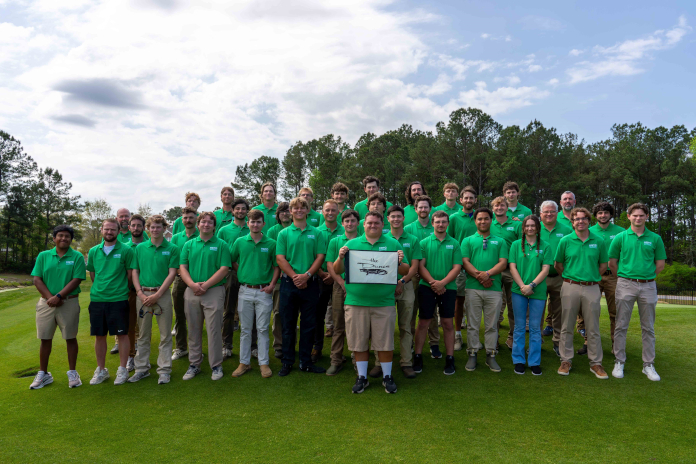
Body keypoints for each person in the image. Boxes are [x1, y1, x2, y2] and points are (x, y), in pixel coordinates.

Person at [333, 211, 410, 394]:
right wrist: (340, 257)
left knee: (385, 342)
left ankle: (387, 376)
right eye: (369, 223)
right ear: (363, 225)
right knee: (359, 342)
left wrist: (399, 262)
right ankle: (362, 377)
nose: (373, 226)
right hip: (356, 301)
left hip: (383, 302)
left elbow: (405, 269)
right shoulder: (351, 244)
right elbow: (337, 270)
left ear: (383, 224)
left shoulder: (393, 244)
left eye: (376, 223)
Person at [609, 203, 666, 381]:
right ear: (628, 217)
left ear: (647, 216)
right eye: (635, 215)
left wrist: (646, 277)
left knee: (648, 327)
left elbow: (660, 265)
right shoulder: (620, 237)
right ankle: (619, 361)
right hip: (625, 283)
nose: (638, 218)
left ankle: (648, 365)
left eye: (641, 215)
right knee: (621, 325)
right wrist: (626, 278)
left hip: (648, 286)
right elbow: (612, 263)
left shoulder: (655, 238)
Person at [554, 207, 609, 379]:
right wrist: (572, 278)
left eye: (584, 218)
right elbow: (558, 265)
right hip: (570, 286)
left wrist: (591, 278)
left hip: (592, 287)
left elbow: (603, 266)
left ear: (589, 221)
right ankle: (566, 360)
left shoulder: (599, 241)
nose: (581, 221)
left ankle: (595, 363)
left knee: (593, 327)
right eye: (577, 219)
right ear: (572, 222)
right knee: (567, 325)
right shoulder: (565, 241)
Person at [29, 225, 85, 389]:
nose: (63, 238)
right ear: (54, 238)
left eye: (67, 236)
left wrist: (59, 296)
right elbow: (37, 279)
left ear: (71, 239)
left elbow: (76, 279)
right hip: (46, 303)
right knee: (45, 338)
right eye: (60, 235)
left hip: (69, 302)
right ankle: (43, 374)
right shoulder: (44, 255)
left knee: (70, 337)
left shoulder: (77, 256)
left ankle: (73, 373)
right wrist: (51, 298)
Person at [276, 197, 326, 376]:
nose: (298, 211)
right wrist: (295, 277)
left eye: (302, 208)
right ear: (290, 211)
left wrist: (307, 275)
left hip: (310, 284)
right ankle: (287, 361)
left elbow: (320, 257)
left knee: (308, 325)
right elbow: (280, 258)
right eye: (295, 208)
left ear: (307, 210)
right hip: (289, 284)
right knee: (288, 325)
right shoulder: (284, 233)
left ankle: (306, 362)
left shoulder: (317, 233)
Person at [179, 212, 231, 381]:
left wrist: (206, 285)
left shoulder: (221, 244)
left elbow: (224, 269)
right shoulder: (189, 244)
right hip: (192, 291)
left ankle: (216, 365)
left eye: (210, 222)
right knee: (193, 329)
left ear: (214, 226)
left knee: (214, 330)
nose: (206, 225)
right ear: (198, 224)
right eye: (203, 222)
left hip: (214, 291)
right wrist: (193, 285)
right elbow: (183, 267)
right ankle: (194, 364)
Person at [128, 215, 180, 384]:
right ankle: (141, 368)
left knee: (165, 334)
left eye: (159, 227)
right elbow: (135, 272)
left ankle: (164, 370)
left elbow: (172, 273)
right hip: (142, 295)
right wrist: (140, 293)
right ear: (147, 229)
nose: (155, 230)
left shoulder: (172, 248)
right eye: (152, 227)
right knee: (143, 335)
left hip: (162, 295)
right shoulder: (140, 248)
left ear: (164, 228)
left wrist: (157, 295)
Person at [230, 209, 280, 379]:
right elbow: (232, 260)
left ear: (263, 224)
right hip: (245, 290)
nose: (255, 224)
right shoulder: (239, 242)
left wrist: (272, 285)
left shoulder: (271, 243)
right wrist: (242, 271)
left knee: (263, 328)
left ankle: (263, 362)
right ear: (248, 223)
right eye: (252, 221)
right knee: (245, 330)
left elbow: (276, 266)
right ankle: (244, 362)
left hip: (264, 291)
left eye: (259, 222)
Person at [372, 205, 421, 378]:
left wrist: (401, 281)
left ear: (403, 218)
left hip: (406, 285)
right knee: (382, 327)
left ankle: (406, 362)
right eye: (392, 217)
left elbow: (414, 266)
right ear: (388, 219)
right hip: (385, 288)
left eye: (399, 216)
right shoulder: (382, 238)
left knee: (406, 326)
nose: (396, 219)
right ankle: (379, 363)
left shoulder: (412, 239)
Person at [86, 218, 136, 386]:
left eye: (113, 230)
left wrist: (120, 289)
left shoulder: (127, 250)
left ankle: (122, 370)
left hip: (119, 299)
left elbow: (129, 275)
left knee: (122, 334)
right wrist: (102, 289)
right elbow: (93, 275)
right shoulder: (93, 251)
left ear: (118, 231)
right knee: (99, 336)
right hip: (98, 300)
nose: (109, 232)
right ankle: (101, 370)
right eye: (106, 229)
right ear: (101, 230)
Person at [413, 211, 462, 375]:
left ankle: (450, 358)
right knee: (423, 322)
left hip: (449, 288)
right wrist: (434, 283)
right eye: (437, 222)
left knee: (448, 323)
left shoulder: (454, 243)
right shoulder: (424, 242)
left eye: (443, 222)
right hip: (427, 287)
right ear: (432, 223)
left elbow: (457, 267)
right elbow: (421, 266)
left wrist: (442, 283)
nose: (440, 224)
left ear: (448, 223)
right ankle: (418, 356)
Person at [461, 207, 508, 373]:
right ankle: (472, 353)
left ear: (491, 220)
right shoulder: (467, 241)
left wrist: (487, 274)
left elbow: (503, 263)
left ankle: (491, 354)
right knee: (473, 324)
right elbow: (465, 262)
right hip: (472, 287)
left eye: (486, 219)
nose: (482, 221)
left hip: (494, 289)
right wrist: (480, 277)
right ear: (475, 221)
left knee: (492, 325)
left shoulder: (500, 241)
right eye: (479, 219)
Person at [509, 216, 552, 375]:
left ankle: (534, 361)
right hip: (518, 291)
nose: (530, 228)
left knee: (535, 327)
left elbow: (545, 269)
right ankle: (519, 360)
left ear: (538, 228)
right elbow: (512, 268)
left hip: (538, 291)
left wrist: (532, 285)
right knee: (519, 326)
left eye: (533, 225)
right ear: (523, 228)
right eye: (527, 226)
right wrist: (522, 286)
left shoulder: (546, 246)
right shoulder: (515, 245)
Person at [325, 209, 360, 375]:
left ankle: (356, 359)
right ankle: (336, 360)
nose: (350, 223)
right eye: (347, 221)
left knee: (358, 326)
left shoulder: (363, 240)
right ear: (343, 223)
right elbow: (330, 265)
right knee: (338, 324)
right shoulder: (335, 241)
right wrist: (342, 283)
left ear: (358, 223)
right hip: (340, 286)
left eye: (353, 221)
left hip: (360, 287)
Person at [405, 195, 441, 358]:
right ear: (415, 209)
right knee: (411, 310)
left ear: (430, 209)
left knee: (431, 311)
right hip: (413, 275)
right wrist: (415, 269)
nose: (423, 210)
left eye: (426, 207)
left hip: (430, 275)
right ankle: (410, 343)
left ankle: (434, 344)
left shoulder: (436, 226)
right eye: (420, 207)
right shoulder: (409, 228)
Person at [217, 198, 251, 359]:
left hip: (250, 275)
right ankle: (227, 345)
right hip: (231, 274)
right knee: (229, 310)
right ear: (232, 211)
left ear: (247, 211)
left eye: (243, 209)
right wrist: (239, 269)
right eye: (237, 209)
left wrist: (245, 271)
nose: (240, 211)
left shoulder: (251, 228)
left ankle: (253, 346)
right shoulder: (224, 230)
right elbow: (222, 253)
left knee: (250, 311)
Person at [539, 201, 573, 356]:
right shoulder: (534, 228)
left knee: (559, 311)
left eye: (552, 211)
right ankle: (536, 341)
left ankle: (558, 341)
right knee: (537, 311)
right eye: (546, 211)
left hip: (559, 277)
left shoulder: (566, 230)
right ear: (540, 213)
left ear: (557, 212)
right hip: (538, 277)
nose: (549, 214)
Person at [447, 185, 478, 350]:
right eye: (465, 198)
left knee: (475, 302)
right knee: (459, 301)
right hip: (459, 266)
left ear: (475, 200)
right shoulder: (453, 218)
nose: (468, 200)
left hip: (478, 266)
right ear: (461, 200)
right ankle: (458, 335)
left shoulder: (481, 216)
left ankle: (474, 337)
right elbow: (450, 241)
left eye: (471, 198)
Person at [313, 200, 344, 362]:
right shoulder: (317, 231)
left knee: (341, 317)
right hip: (320, 278)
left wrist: (333, 276)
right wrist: (322, 273)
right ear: (322, 212)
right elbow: (314, 256)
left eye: (333, 210)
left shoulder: (345, 230)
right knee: (318, 315)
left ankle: (341, 352)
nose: (330, 212)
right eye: (327, 210)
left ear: (338, 212)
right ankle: (317, 348)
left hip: (339, 278)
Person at [589, 201, 625, 345]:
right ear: (595, 215)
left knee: (615, 312)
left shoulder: (621, 232)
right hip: (594, 275)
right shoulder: (589, 231)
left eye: (606, 213)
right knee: (590, 311)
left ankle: (616, 344)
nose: (603, 215)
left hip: (613, 276)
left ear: (611, 214)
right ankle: (589, 343)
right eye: (600, 213)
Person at [491, 196, 522, 350]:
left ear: (507, 207)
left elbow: (522, 247)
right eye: (496, 206)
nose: (499, 208)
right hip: (494, 270)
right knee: (495, 305)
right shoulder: (489, 224)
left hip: (511, 270)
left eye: (502, 205)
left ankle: (512, 337)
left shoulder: (516, 224)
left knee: (513, 305)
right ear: (493, 208)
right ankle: (493, 337)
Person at [170, 207, 199, 361]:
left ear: (196, 218)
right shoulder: (176, 238)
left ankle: (197, 349)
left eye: (191, 217)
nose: (188, 220)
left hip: (198, 281)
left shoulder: (202, 235)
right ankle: (181, 347)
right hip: (180, 280)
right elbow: (174, 261)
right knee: (180, 315)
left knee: (198, 317)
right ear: (182, 220)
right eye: (185, 218)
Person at [121, 214, 147, 372]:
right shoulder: (124, 247)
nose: (136, 228)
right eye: (133, 225)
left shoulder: (150, 245)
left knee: (145, 327)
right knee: (130, 325)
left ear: (144, 227)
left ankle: (144, 356)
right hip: (129, 292)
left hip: (148, 290)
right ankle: (131, 356)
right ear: (129, 227)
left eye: (139, 225)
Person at [267, 202, 291, 358]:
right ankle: (279, 345)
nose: (285, 213)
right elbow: (270, 255)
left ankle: (293, 343)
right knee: (278, 313)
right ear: (277, 214)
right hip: (279, 279)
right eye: (282, 211)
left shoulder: (298, 229)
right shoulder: (272, 231)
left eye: (288, 211)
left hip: (296, 277)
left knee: (294, 313)